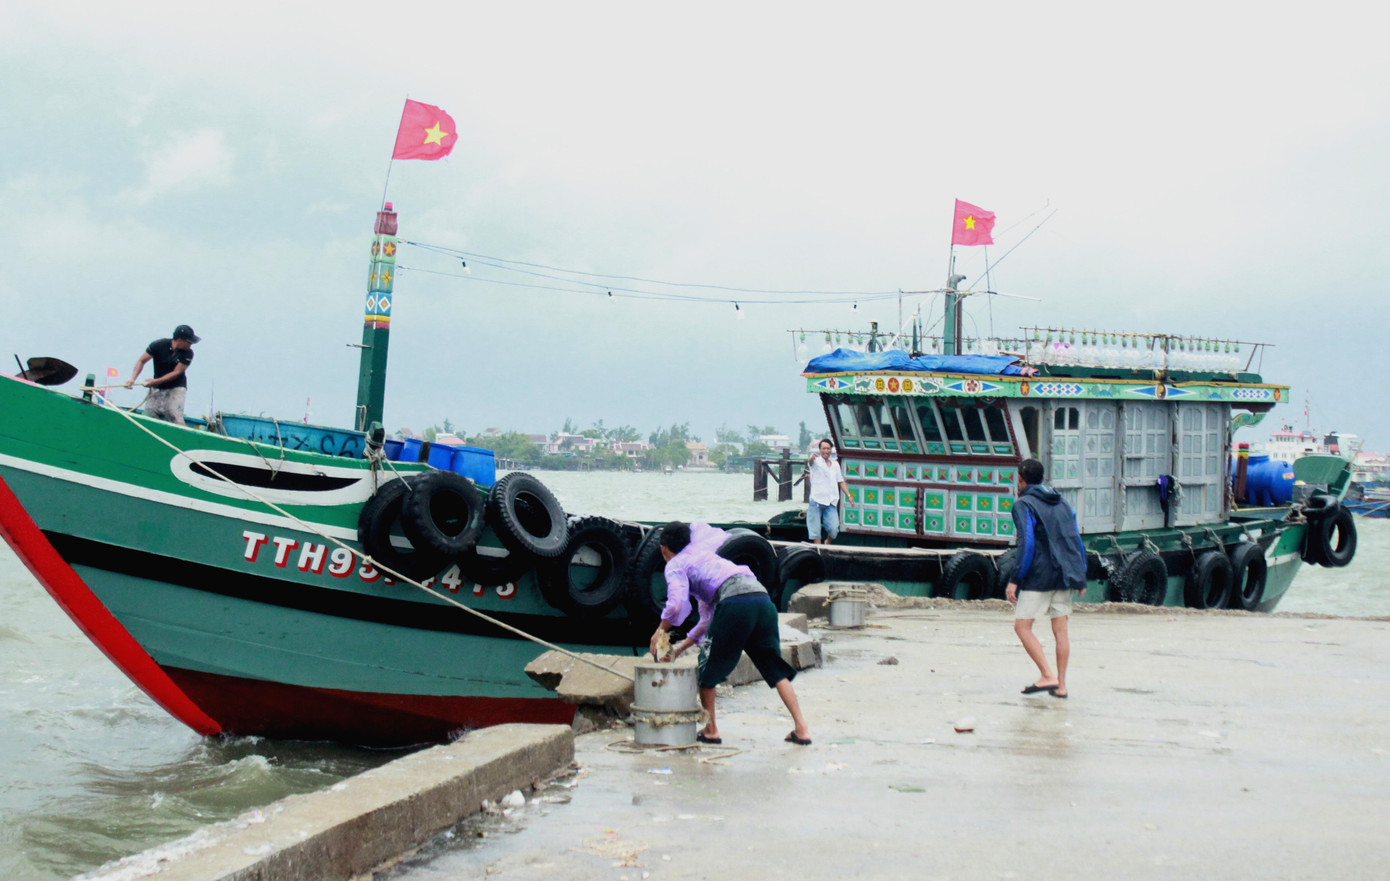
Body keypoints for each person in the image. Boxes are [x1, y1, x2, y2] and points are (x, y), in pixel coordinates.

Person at [648, 521, 811, 746]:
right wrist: (679, 649)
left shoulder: (676, 564)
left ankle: (711, 729)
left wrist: (660, 631)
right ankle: (801, 728)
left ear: (663, 548)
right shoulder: (704, 555)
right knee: (774, 667)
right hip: (761, 599)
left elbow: (675, 605)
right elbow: (707, 621)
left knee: (706, 671)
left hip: (735, 602)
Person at [1004, 458, 1087, 699]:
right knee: (1061, 630)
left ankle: (1047, 675)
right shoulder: (1061, 501)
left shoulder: (1023, 504)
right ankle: (1061, 686)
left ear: (1020, 479)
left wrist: (1015, 578)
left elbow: (1026, 543)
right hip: (1064, 574)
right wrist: (1079, 573)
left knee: (1022, 627)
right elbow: (1075, 538)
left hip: (1040, 575)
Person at [125, 325, 200, 424]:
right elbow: (141, 361)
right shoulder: (158, 345)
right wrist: (132, 379)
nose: (191, 345)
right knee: (149, 414)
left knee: (174, 414)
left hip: (176, 387)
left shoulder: (188, 353)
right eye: (189, 342)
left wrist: (155, 381)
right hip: (157, 387)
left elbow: (176, 372)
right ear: (179, 340)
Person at [806, 438, 852, 544]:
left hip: (831, 501)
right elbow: (810, 462)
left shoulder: (835, 464)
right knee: (815, 531)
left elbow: (840, 481)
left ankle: (828, 542)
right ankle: (819, 551)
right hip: (816, 501)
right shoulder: (816, 462)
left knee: (834, 529)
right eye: (823, 448)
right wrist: (811, 458)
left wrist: (849, 495)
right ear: (820, 449)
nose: (826, 451)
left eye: (828, 448)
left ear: (831, 450)